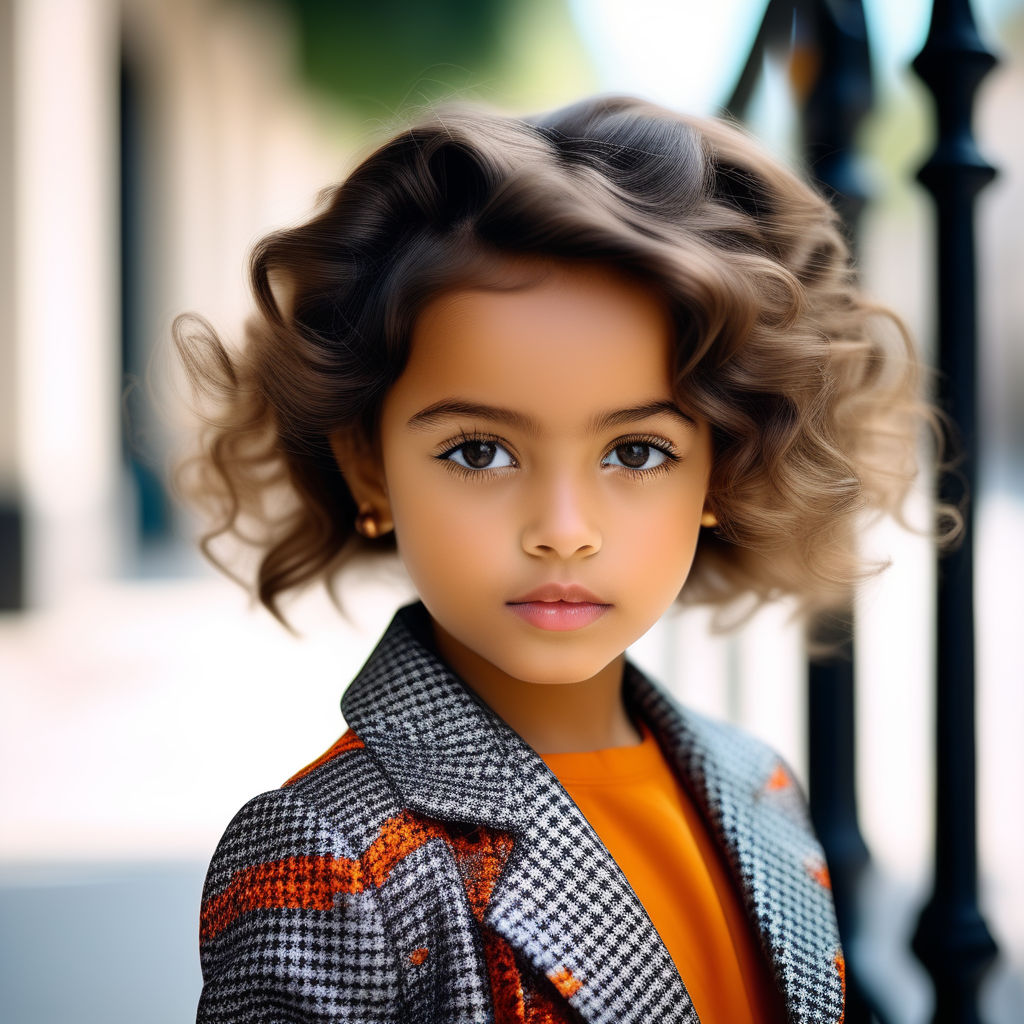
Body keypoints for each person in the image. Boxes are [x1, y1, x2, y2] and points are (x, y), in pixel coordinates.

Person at [178, 96, 943, 1024]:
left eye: (635, 452)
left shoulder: (760, 782)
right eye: (478, 451)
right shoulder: (327, 858)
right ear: (368, 469)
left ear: (723, 468)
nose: (563, 528)